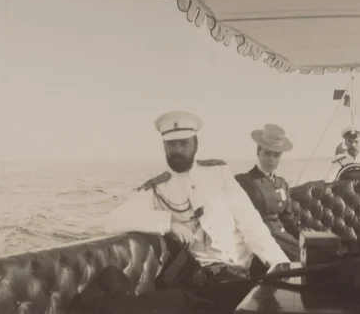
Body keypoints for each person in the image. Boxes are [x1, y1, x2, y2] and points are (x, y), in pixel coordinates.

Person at [102, 111, 291, 311]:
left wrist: (282, 266)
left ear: (196, 144)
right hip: (209, 279)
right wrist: (168, 223)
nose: (177, 150)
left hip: (246, 271)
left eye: (184, 143)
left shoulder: (218, 173)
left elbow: (252, 224)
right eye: (171, 144)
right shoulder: (157, 189)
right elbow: (113, 220)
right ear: (164, 146)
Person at [234, 124, 300, 261]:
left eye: (276, 155)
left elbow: (288, 219)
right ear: (258, 152)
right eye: (267, 153)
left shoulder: (282, 183)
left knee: (312, 256)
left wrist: (305, 235)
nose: (271, 159)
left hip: (283, 239)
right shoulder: (244, 182)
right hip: (262, 242)